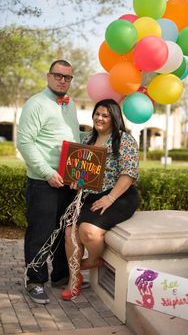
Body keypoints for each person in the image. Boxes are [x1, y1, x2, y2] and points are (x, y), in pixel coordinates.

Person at [17, 59, 85, 304]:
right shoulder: (36, 104)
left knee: (63, 233)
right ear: (48, 76)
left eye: (67, 77)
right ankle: (35, 281)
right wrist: (47, 172)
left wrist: (98, 137)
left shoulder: (71, 104)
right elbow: (24, 143)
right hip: (43, 181)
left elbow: (72, 137)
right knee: (41, 233)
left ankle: (59, 275)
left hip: (68, 180)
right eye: (58, 75)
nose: (62, 80)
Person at [61, 99, 140, 300]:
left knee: (89, 232)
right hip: (91, 196)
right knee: (71, 231)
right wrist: (76, 181)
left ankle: (93, 261)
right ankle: (74, 279)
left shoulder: (124, 139)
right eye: (97, 114)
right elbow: (83, 172)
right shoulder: (88, 139)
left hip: (119, 197)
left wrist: (110, 198)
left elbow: (128, 174)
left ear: (114, 118)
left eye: (105, 115)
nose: (100, 118)